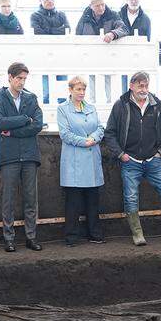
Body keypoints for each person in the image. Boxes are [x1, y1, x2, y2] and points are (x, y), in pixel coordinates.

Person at [103, 71, 161, 247]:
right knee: (131, 197)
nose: (144, 89)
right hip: (130, 161)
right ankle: (138, 235)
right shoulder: (121, 105)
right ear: (131, 86)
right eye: (140, 85)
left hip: (153, 160)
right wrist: (120, 154)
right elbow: (109, 133)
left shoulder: (157, 106)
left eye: (146, 85)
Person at [0, 62, 45, 252]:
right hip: (9, 156)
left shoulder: (31, 98)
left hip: (29, 155)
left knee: (31, 198)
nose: (22, 82)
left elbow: (38, 124)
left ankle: (31, 237)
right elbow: (1, 122)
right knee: (9, 199)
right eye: (19, 78)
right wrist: (24, 119)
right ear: (10, 77)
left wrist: (13, 132)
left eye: (24, 78)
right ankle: (9, 238)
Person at [56, 76, 105, 246]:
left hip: (91, 159)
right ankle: (71, 237)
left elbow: (100, 127)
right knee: (73, 202)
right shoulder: (63, 109)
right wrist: (85, 141)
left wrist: (94, 138)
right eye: (78, 89)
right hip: (74, 161)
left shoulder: (91, 108)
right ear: (70, 90)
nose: (82, 93)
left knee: (93, 200)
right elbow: (65, 134)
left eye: (83, 89)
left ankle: (95, 233)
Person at [31, 0, 70, 104]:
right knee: (46, 89)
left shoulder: (61, 14)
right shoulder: (35, 16)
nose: (50, 1)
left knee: (62, 88)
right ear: (40, 0)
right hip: (44, 55)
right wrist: (57, 30)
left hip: (60, 54)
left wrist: (48, 30)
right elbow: (37, 31)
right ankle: (46, 115)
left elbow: (67, 29)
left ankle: (63, 114)